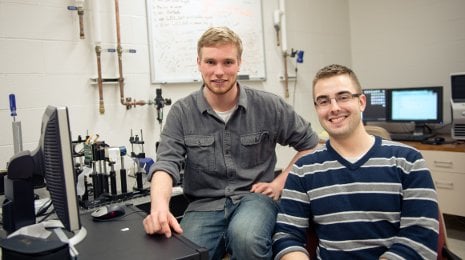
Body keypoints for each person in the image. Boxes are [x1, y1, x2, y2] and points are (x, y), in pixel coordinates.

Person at [142, 26, 320, 260]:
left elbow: (311, 144)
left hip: (255, 201)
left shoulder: (269, 106)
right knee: (183, 254)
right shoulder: (182, 112)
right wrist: (159, 208)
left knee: (246, 239)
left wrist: (278, 183)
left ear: (239, 63)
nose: (219, 72)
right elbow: (166, 164)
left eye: (227, 62)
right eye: (210, 62)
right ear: (198, 62)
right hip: (204, 205)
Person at [273, 64, 439, 260]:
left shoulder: (408, 160)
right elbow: (287, 235)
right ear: (317, 109)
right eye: (323, 101)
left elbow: (421, 237)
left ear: (361, 102)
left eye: (343, 97)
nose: (334, 108)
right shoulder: (303, 169)